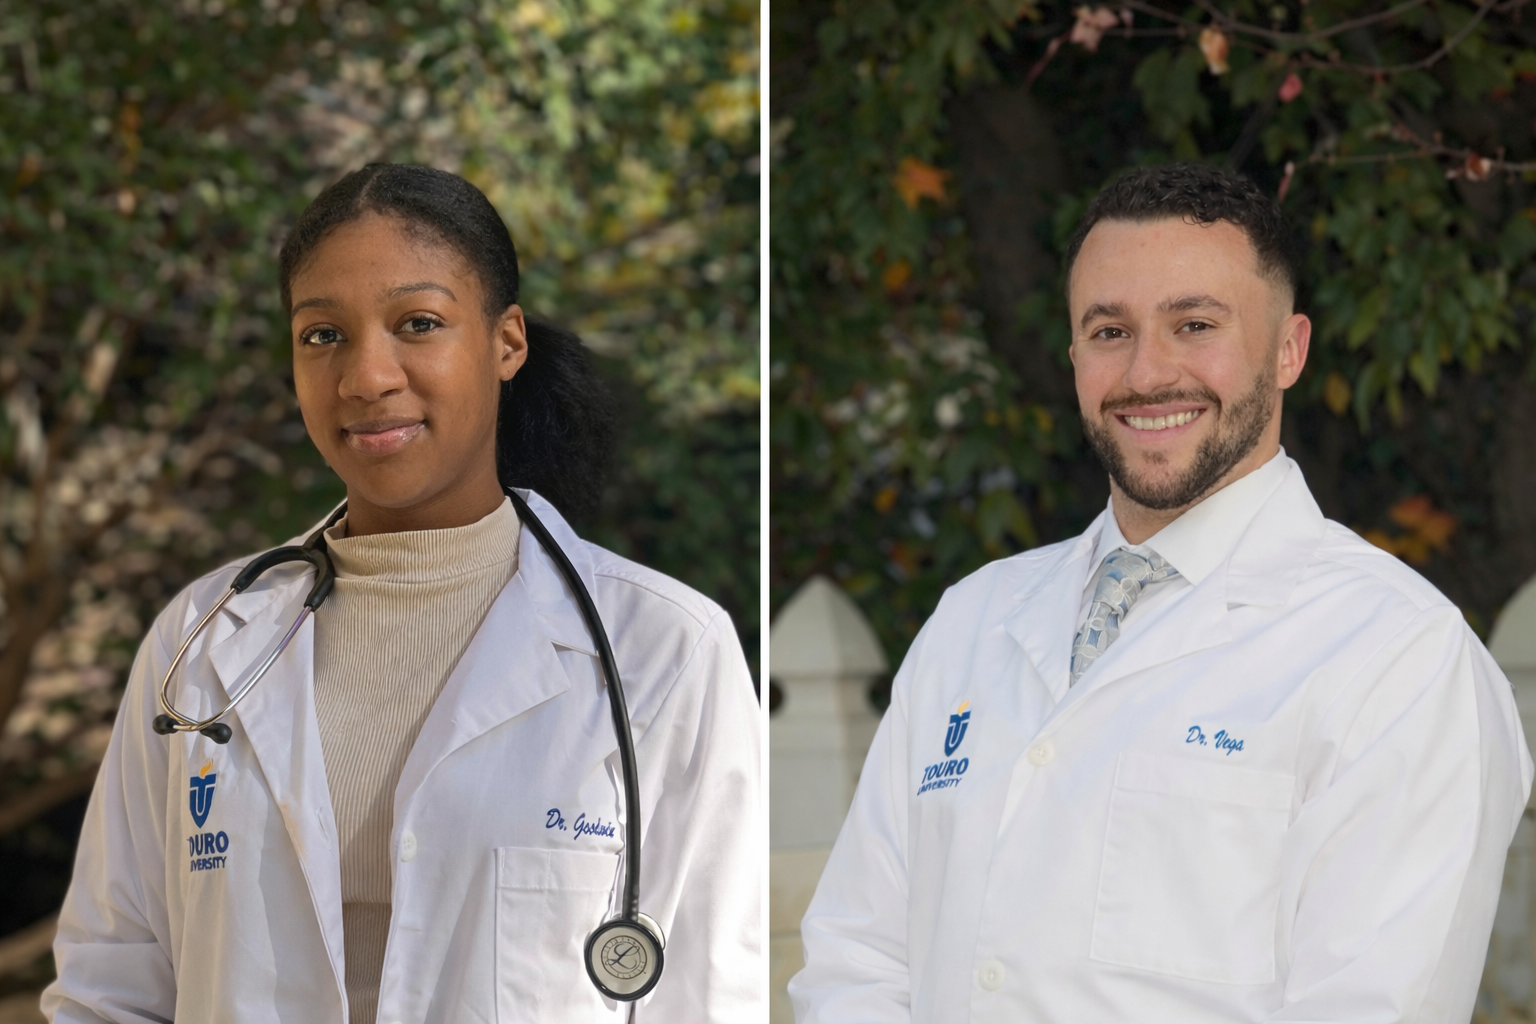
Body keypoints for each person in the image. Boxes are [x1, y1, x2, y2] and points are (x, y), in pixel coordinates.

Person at [788, 163, 1533, 1023]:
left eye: (1194, 324)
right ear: (1073, 358)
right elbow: (858, 956)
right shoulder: (977, 616)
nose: (1148, 372)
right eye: (1109, 331)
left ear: (1289, 350)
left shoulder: (1399, 658)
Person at [43, 164, 761, 1023]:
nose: (366, 376)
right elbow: (108, 988)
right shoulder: (201, 639)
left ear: (507, 342)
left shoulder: (665, 648)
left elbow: (711, 997)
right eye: (322, 335)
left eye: (418, 323)